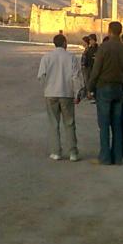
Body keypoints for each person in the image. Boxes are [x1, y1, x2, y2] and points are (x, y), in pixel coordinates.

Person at [88, 21, 123, 165]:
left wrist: (90, 87)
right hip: (118, 88)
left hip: (104, 88)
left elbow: (96, 70)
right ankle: (117, 157)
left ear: (109, 30)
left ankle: (105, 157)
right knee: (117, 124)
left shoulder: (104, 48)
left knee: (104, 124)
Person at [38, 34, 83, 162]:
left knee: (53, 123)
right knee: (69, 123)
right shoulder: (71, 58)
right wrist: (77, 93)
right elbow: (76, 76)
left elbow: (41, 76)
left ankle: (56, 152)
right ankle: (73, 153)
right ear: (64, 43)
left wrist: (47, 87)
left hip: (51, 94)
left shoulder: (46, 57)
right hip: (66, 94)